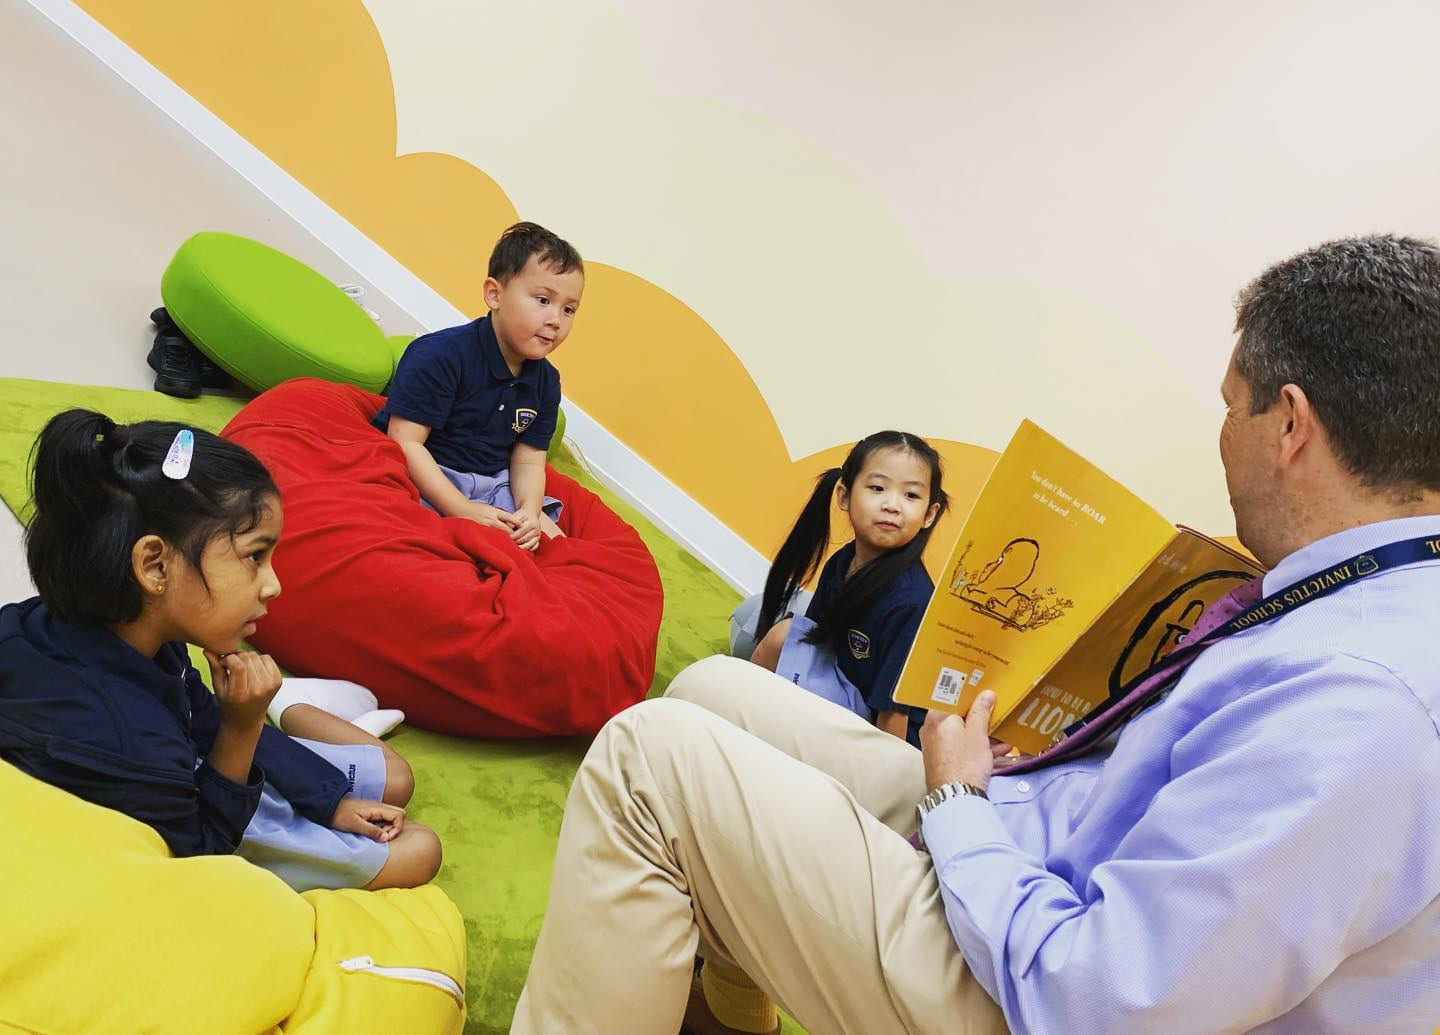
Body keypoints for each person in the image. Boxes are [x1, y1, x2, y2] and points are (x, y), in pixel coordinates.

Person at [510, 234, 1440, 1035]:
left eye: (1232, 405)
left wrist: (958, 805)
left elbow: (1096, 997)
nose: (1223, 437)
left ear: (1289, 426)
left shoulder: (1367, 704)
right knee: (714, 692)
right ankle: (728, 1007)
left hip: (1032, 984)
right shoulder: (1371, 597)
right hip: (1037, 860)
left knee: (650, 755)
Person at [0, 411, 442, 892]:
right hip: (205, 811)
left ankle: (286, 701)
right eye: (255, 556)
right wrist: (244, 723)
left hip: (205, 762)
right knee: (421, 849)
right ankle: (276, 705)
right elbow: (202, 852)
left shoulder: (121, 628)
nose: (273, 585)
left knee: (395, 778)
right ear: (154, 565)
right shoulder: (125, 740)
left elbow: (200, 714)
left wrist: (328, 800)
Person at [373, 221, 584, 552]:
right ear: (494, 294)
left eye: (569, 309)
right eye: (543, 300)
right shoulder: (441, 355)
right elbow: (406, 443)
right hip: (429, 469)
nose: (556, 319)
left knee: (555, 546)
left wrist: (528, 510)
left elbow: (529, 460)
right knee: (421, 539)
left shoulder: (546, 381)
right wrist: (462, 509)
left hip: (493, 481)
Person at [749, 431, 947, 746]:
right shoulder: (844, 561)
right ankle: (743, 707)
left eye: (911, 496)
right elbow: (812, 640)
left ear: (929, 514)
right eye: (877, 488)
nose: (892, 505)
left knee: (780, 637)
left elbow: (893, 718)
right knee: (762, 625)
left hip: (873, 727)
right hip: (839, 684)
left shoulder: (912, 603)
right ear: (844, 496)